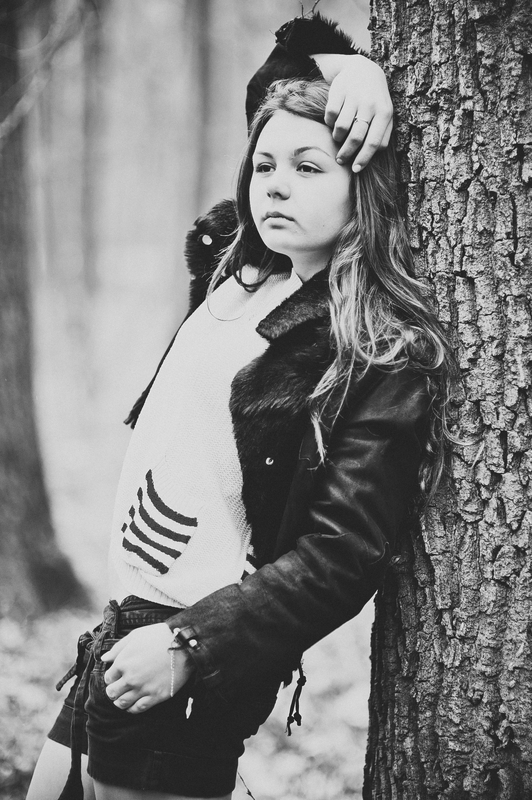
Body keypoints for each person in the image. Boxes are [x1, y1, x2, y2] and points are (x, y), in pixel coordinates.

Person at [26, 13, 452, 800]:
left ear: (365, 183)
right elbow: (278, 82)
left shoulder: (372, 353)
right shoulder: (242, 269)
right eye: (264, 166)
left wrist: (188, 645)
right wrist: (350, 68)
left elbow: (341, 556)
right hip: (123, 630)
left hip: (191, 657)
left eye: (310, 167)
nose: (276, 184)